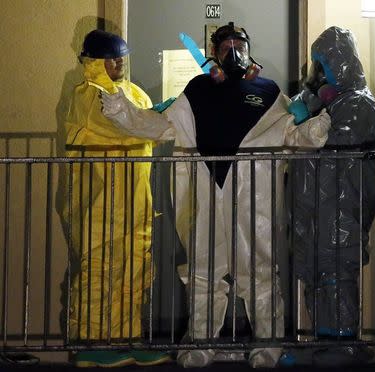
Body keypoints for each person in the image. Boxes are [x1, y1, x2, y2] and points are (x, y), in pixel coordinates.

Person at [101, 22, 331, 368]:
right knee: (203, 267)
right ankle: (200, 342)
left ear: (249, 49)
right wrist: (121, 110)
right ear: (214, 54)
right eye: (225, 46)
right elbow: (159, 124)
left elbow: (290, 135)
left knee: (260, 269)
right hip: (206, 190)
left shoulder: (269, 92)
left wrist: (318, 127)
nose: (233, 51)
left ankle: (267, 344)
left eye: (239, 44)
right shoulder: (197, 90)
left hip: (254, 194)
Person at [62, 29, 170, 368]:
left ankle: (127, 337)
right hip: (99, 203)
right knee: (99, 270)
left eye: (121, 57)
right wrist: (156, 118)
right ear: (94, 62)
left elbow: (147, 121)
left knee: (135, 269)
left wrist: (163, 112)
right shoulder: (88, 95)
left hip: (136, 200)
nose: (118, 63)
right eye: (111, 59)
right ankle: (91, 342)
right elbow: (124, 125)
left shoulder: (133, 92)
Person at [289, 26, 375, 366]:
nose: (320, 71)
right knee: (316, 274)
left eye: (324, 63)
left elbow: (335, 143)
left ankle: (343, 344)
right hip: (317, 209)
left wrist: (310, 117)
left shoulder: (358, 103)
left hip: (340, 208)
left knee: (337, 274)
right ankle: (326, 339)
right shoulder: (333, 99)